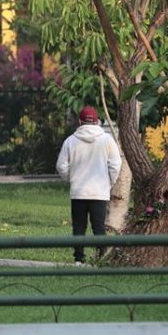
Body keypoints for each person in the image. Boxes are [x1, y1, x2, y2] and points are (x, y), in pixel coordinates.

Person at [56, 106, 122, 265]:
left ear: (80, 121)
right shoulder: (107, 140)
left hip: (78, 192)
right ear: (97, 121)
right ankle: (101, 258)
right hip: (99, 192)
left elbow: (61, 166)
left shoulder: (70, 141)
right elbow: (116, 164)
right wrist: (109, 181)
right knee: (99, 227)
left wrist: (71, 178)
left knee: (79, 227)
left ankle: (79, 259)